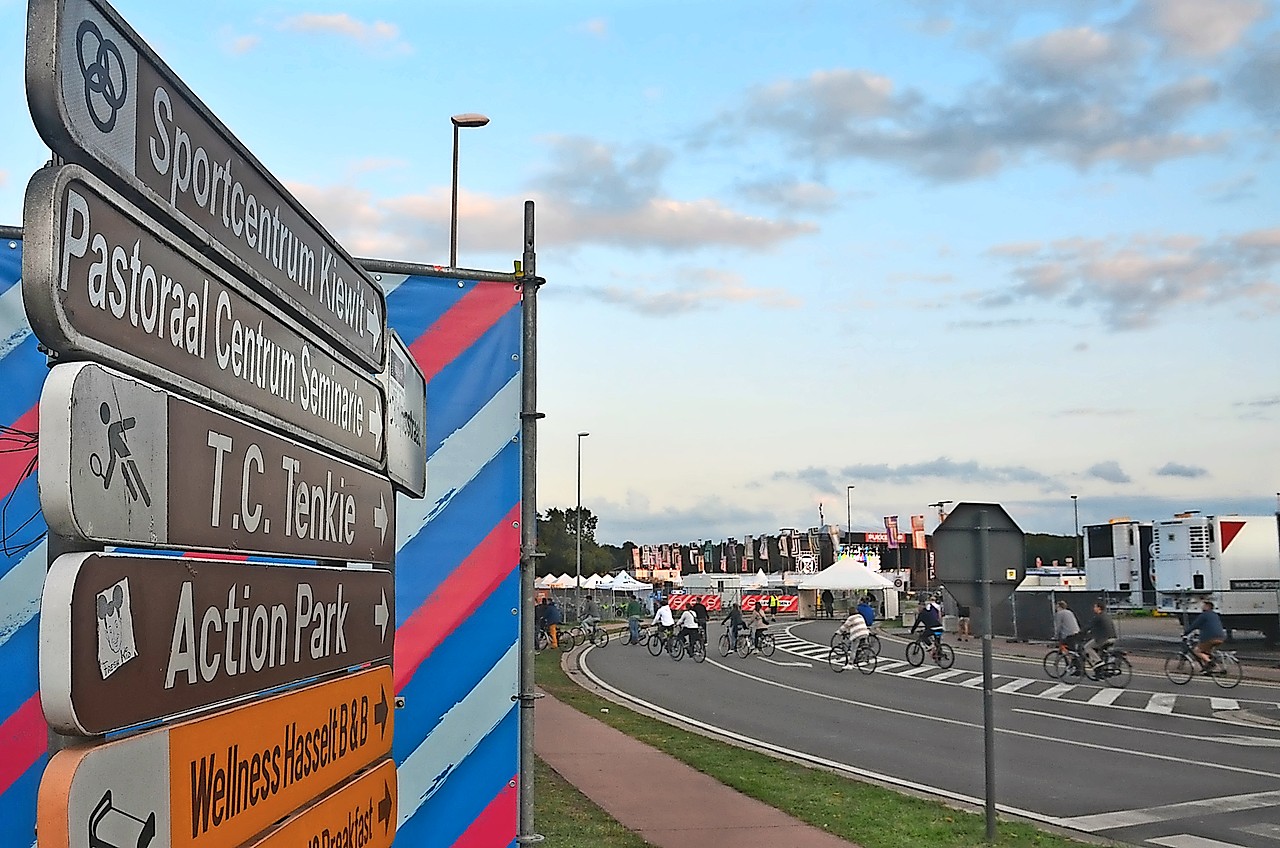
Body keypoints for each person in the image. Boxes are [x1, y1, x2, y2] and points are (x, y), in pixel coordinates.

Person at [1184, 599, 1226, 671]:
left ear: (1208, 607)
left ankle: (1211, 663)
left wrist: (1185, 633)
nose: (1202, 606)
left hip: (1210, 638)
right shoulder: (1215, 615)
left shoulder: (1204, 615)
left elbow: (1194, 625)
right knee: (1206, 652)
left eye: (1204, 605)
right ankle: (1207, 669)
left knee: (1197, 651)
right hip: (1221, 637)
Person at [1083, 601, 1117, 668]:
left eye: (1095, 607)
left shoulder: (1098, 617)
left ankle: (1098, 662)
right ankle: (1103, 669)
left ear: (1099, 608)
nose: (1094, 608)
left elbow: (1089, 626)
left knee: (1087, 647)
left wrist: (1080, 632)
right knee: (1100, 652)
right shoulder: (1106, 616)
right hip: (1113, 638)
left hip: (1104, 638)